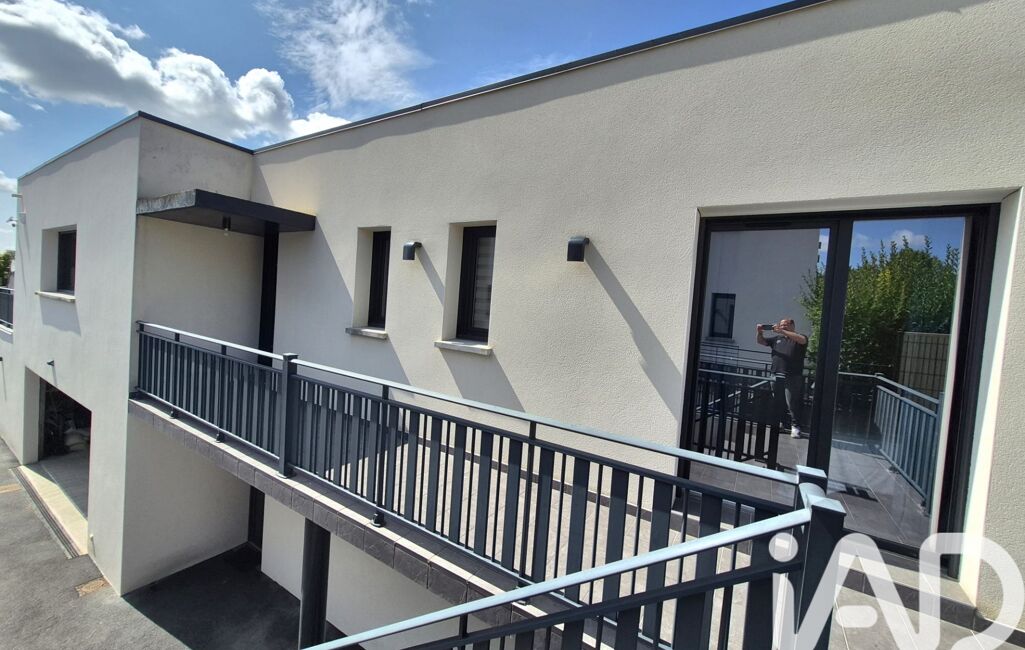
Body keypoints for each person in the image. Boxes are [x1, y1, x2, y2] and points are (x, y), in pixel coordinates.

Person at [756, 318, 808, 438]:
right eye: (781, 325)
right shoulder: (777, 339)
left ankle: (795, 427)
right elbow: (761, 342)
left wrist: (782, 331)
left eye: (785, 325)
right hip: (776, 375)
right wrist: (759, 332)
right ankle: (781, 423)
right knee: (778, 402)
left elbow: (803, 340)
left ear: (792, 325)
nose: (783, 326)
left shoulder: (798, 338)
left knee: (792, 403)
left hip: (792, 376)